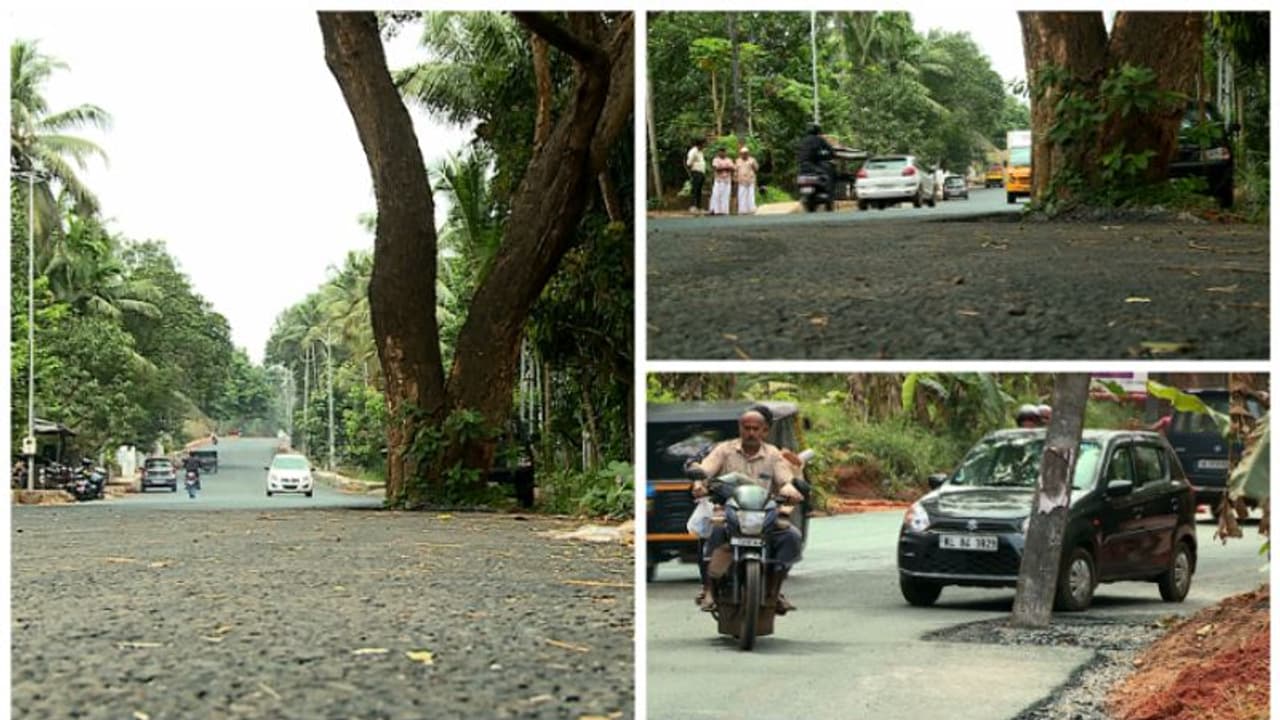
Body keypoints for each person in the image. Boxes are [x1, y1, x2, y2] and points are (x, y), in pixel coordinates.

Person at [687, 406, 804, 614]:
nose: (751, 433)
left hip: (764, 514)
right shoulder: (724, 450)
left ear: (764, 431)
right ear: (740, 428)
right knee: (712, 533)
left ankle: (774, 590)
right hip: (728, 511)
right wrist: (699, 482)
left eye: (756, 429)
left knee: (791, 536)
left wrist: (790, 490)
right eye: (746, 428)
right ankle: (709, 589)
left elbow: (785, 479)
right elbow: (706, 469)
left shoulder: (773, 454)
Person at [708, 147, 734, 215]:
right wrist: (726, 168)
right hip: (718, 180)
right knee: (716, 195)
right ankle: (715, 210)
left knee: (726, 195)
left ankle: (724, 211)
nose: (722, 153)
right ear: (718, 152)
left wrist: (722, 168)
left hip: (727, 180)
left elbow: (732, 168)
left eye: (723, 152)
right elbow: (716, 168)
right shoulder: (716, 159)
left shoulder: (729, 160)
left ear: (725, 152)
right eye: (721, 152)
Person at [734, 147, 759, 215]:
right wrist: (735, 178)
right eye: (743, 153)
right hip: (741, 180)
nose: (744, 155)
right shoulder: (738, 161)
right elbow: (735, 170)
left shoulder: (752, 160)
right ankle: (742, 210)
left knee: (751, 195)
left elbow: (756, 169)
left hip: (750, 180)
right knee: (741, 195)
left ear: (748, 153)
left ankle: (751, 209)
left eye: (746, 153)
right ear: (741, 154)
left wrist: (753, 165)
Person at [685, 138, 707, 213]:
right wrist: (693, 171)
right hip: (696, 172)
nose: (705, 145)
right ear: (700, 144)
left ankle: (699, 207)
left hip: (701, 172)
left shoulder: (700, 152)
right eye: (704, 144)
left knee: (699, 190)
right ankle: (693, 206)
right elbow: (689, 163)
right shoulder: (693, 151)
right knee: (695, 189)